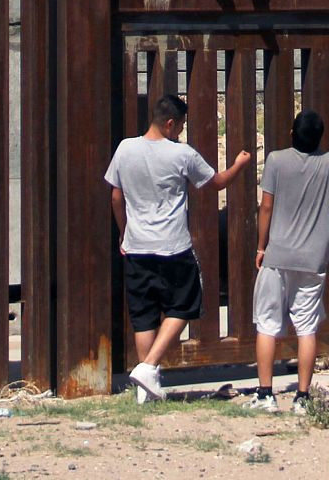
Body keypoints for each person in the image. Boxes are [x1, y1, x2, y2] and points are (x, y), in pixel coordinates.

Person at [105, 92, 254, 402]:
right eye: (182, 125)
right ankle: (149, 368)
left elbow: (116, 197)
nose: (182, 131)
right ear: (170, 123)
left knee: (144, 315)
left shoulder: (124, 149)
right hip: (173, 246)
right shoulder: (182, 154)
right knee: (185, 305)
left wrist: (123, 231)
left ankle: (146, 387)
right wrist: (239, 165)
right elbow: (217, 182)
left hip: (136, 245)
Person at [251, 110, 329, 413]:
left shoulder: (276, 160)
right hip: (312, 257)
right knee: (306, 327)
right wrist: (324, 238)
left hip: (278, 253)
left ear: (292, 133)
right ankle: (302, 397)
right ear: (321, 137)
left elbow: (266, 206)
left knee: (267, 324)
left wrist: (261, 246)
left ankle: (265, 394)